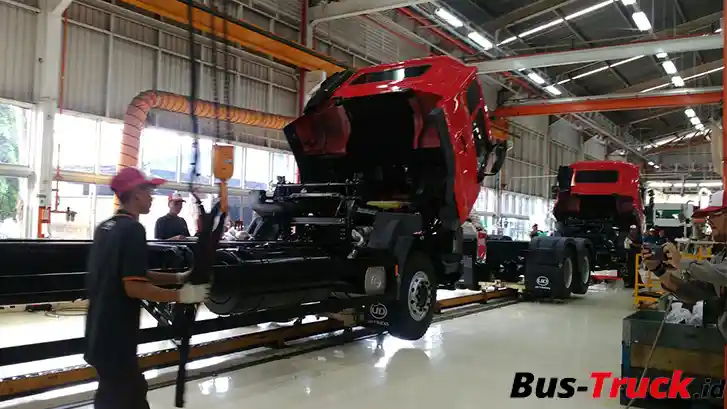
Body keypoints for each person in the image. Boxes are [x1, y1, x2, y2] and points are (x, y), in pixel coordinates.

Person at [84, 168, 211, 409]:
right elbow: (134, 287)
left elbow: (135, 273)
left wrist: (178, 277)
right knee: (125, 397)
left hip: (98, 332)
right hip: (117, 337)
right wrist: (182, 295)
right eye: (148, 191)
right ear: (136, 194)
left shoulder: (105, 227)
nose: (152, 197)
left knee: (121, 394)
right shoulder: (133, 230)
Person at [643, 189, 727, 311]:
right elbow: (700, 294)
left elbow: (722, 274)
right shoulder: (721, 256)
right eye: (708, 216)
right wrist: (659, 270)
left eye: (714, 215)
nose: (709, 221)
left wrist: (682, 262)